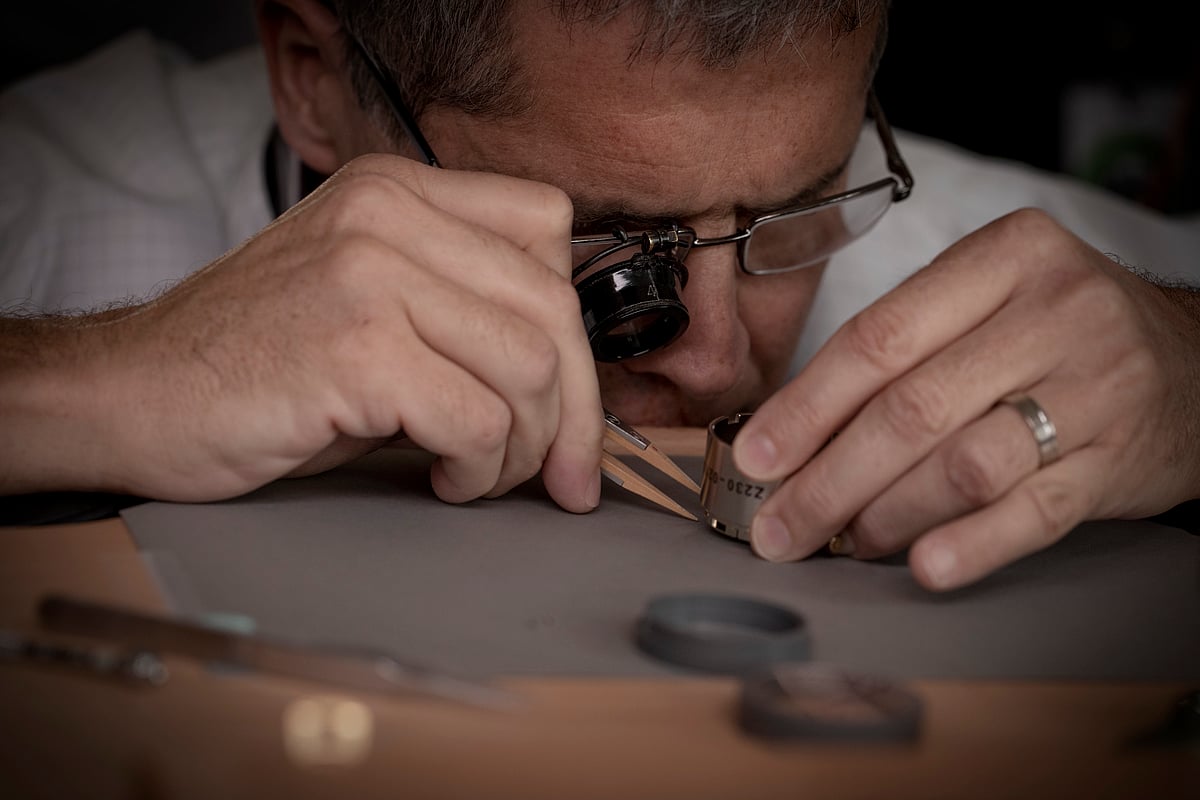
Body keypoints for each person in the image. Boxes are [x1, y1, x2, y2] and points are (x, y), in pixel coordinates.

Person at [1, 0, 1197, 593]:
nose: (721, 360)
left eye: (798, 208)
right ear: (315, 80)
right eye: (615, 247)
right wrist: (81, 383)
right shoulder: (40, 202)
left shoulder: (1001, 260)